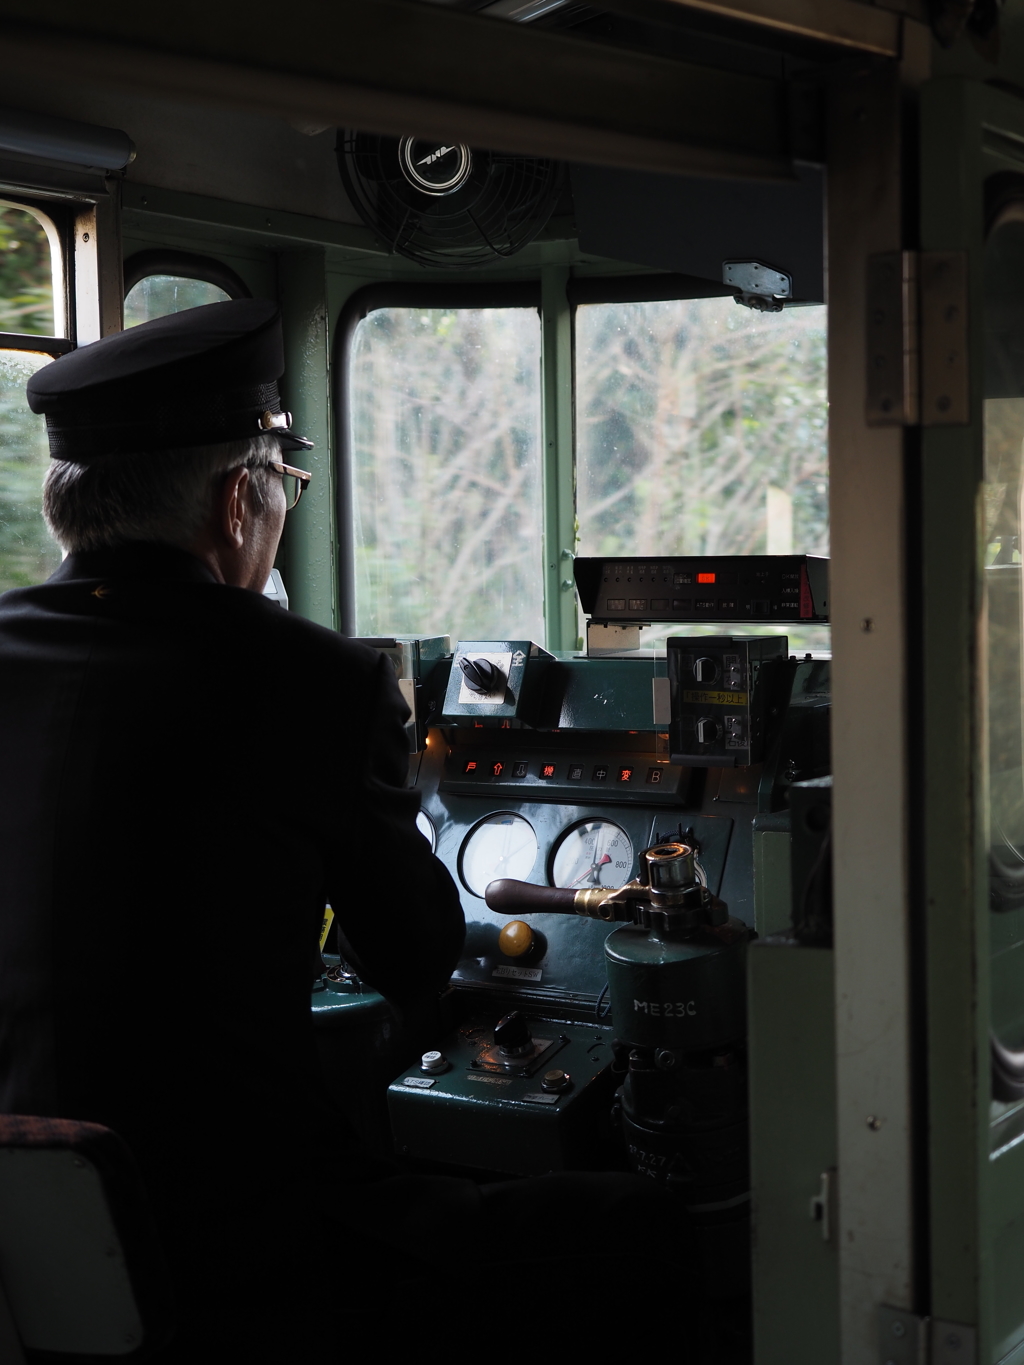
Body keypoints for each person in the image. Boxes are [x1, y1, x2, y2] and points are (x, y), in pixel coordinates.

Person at [0, 300, 704, 1363]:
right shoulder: (307, 678)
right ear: (241, 497)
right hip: (239, 1244)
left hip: (26, 1224)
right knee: (647, 1233)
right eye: (286, 489)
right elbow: (416, 953)